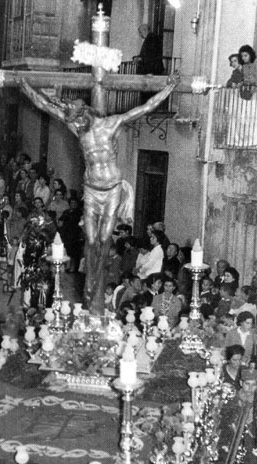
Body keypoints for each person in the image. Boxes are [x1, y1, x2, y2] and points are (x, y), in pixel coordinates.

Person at [17, 74, 179, 314]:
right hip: (92, 190)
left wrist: (167, 90)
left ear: (87, 114)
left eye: (79, 122)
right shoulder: (76, 126)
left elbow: (144, 108)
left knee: (104, 240)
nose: (76, 127)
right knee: (91, 242)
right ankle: (91, 285)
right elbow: (45, 105)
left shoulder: (111, 124)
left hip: (112, 188)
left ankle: (99, 283)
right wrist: (25, 86)